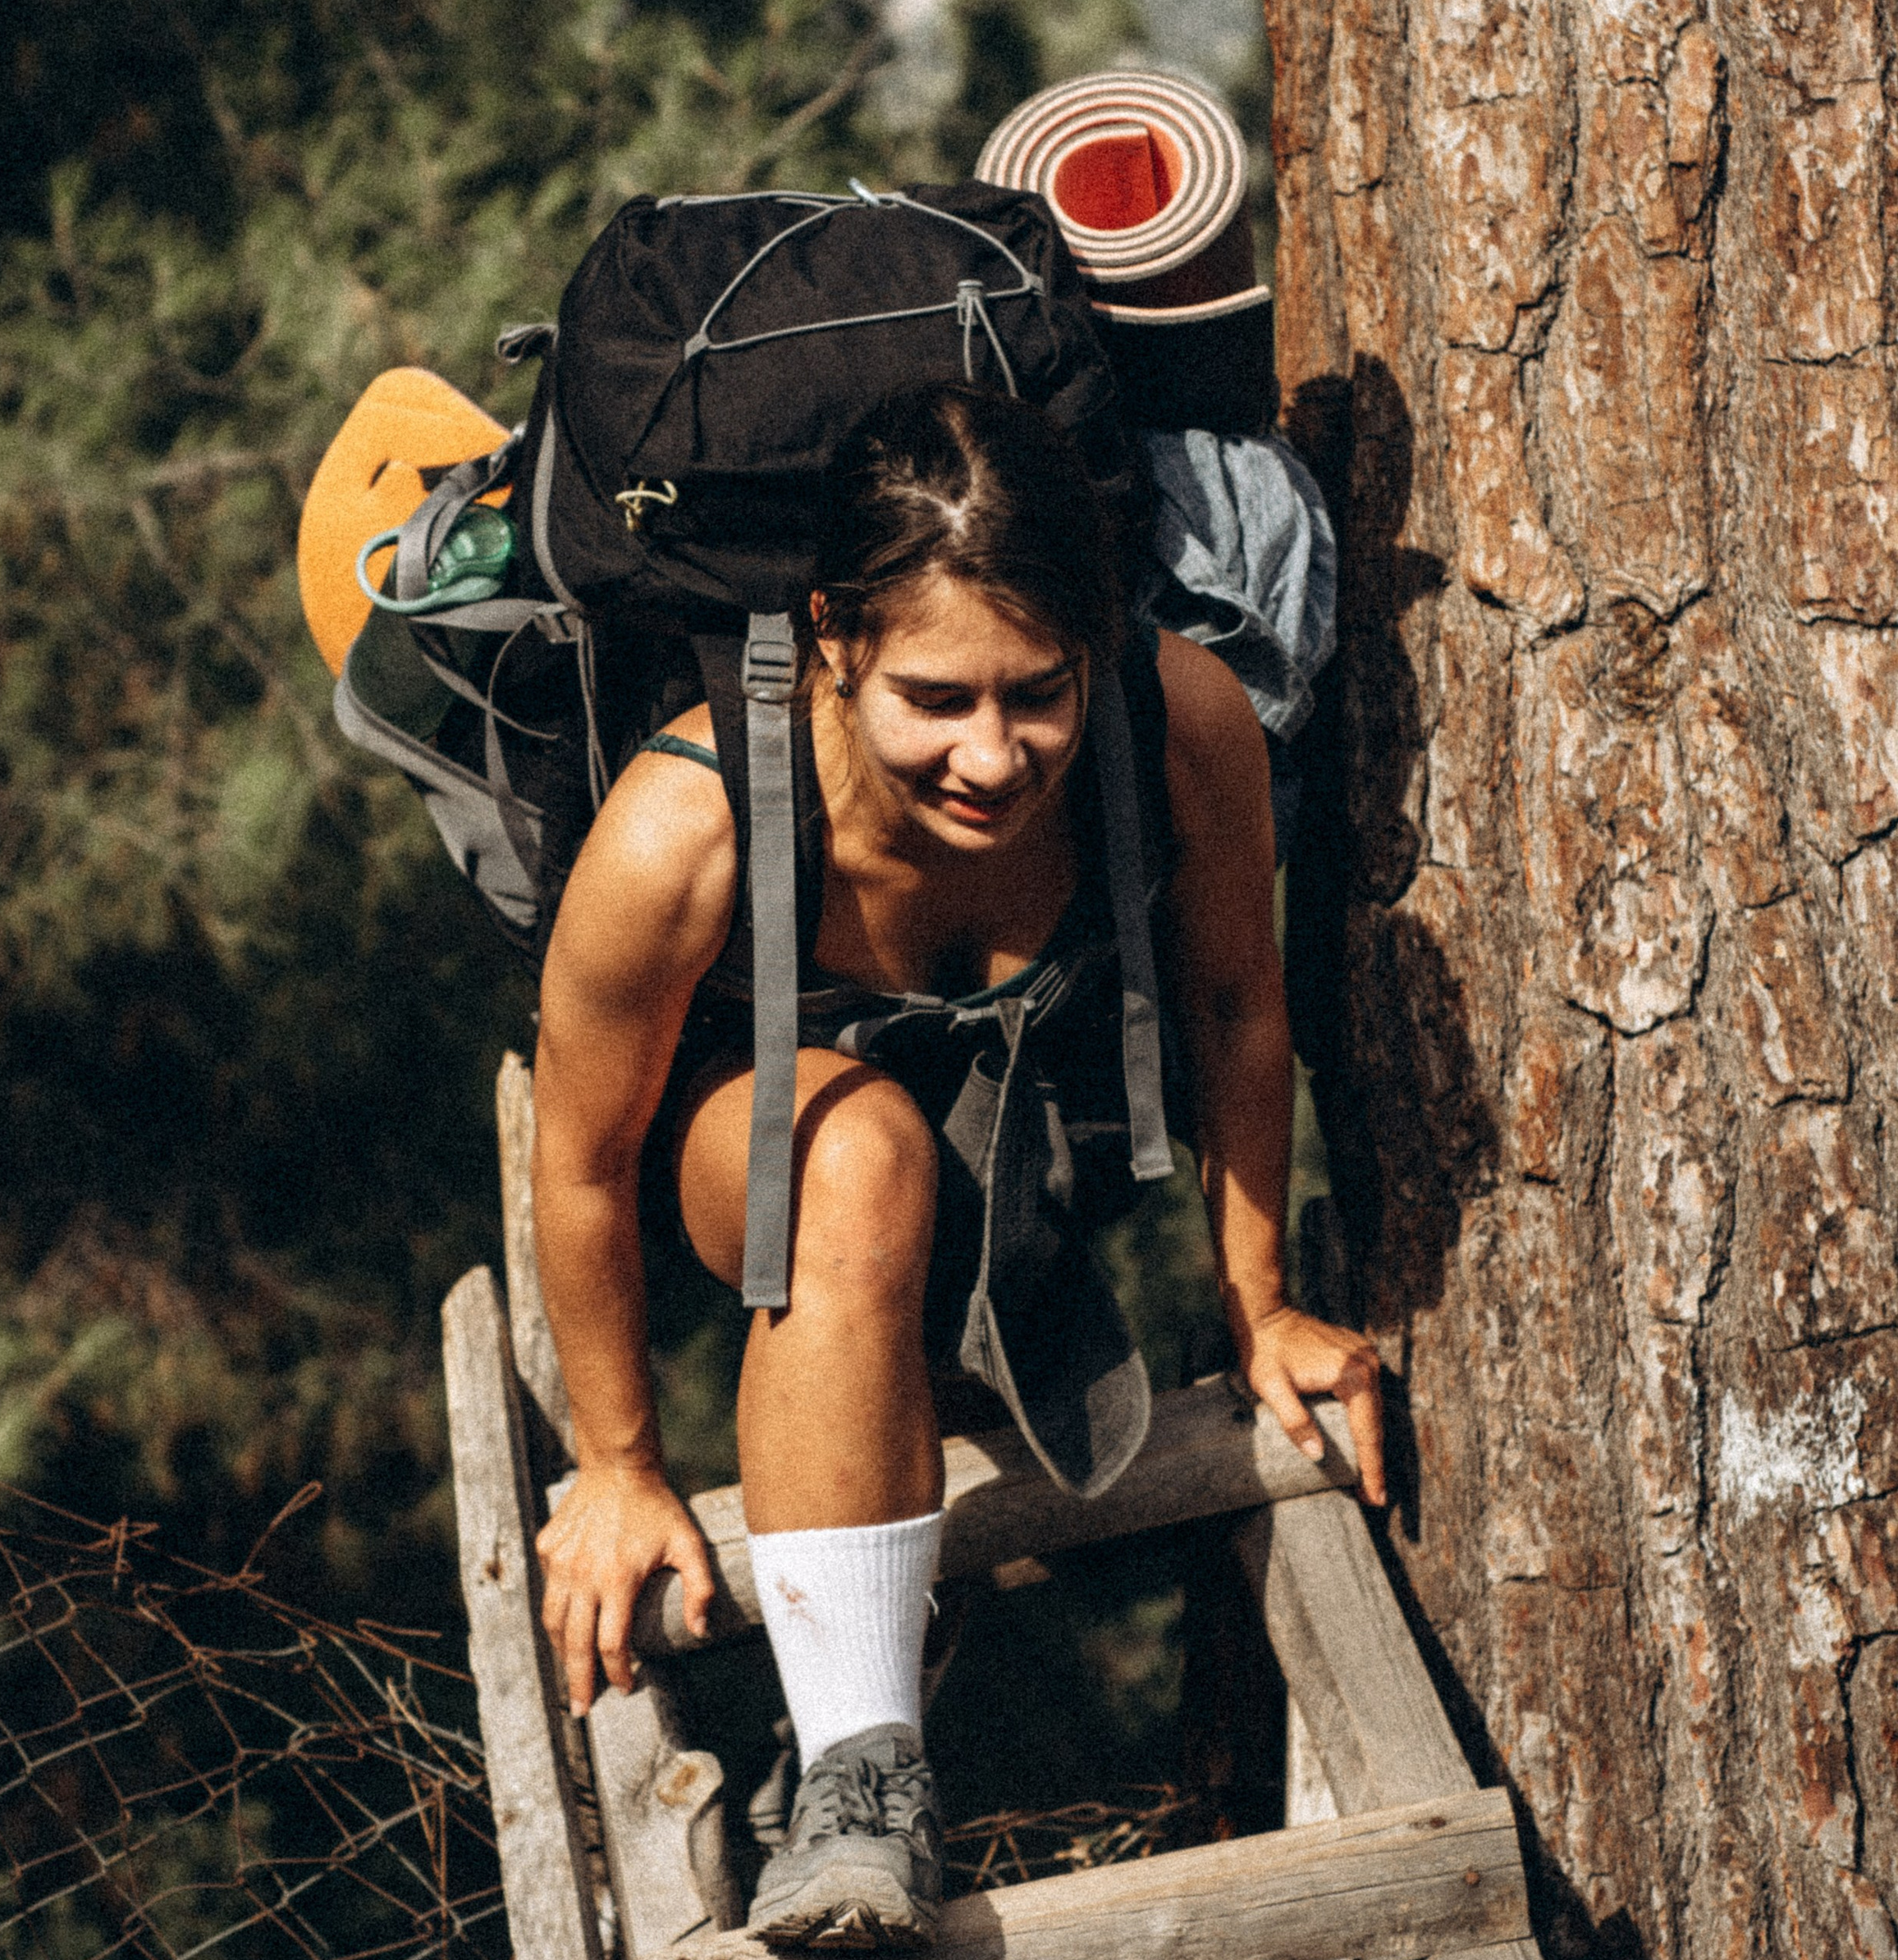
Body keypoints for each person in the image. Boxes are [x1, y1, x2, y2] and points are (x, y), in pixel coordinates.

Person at [529, 382, 1386, 1950]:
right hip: (764, 1153)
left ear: (1096, 644)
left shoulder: (1175, 723)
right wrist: (617, 1462)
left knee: (898, 1165)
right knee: (861, 1159)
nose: (994, 756)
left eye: (1038, 693)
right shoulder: (692, 819)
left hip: (1024, 1146)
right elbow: (581, 1158)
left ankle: (878, 1597)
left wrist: (1261, 1309)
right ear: (832, 640)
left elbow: (1234, 1008)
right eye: (935, 698)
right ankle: (861, 1787)